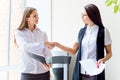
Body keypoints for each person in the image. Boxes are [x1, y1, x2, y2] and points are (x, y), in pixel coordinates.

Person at [52, 4, 112, 80]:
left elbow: (109, 53)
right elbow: (73, 51)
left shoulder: (103, 31)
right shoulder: (81, 31)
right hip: (80, 72)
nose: (82, 17)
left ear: (91, 15)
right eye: (82, 15)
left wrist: (103, 59)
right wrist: (57, 44)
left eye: (84, 15)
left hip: (95, 73)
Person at [14, 7, 53, 80]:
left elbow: (47, 52)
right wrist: (43, 44)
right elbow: (25, 46)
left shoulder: (42, 34)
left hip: (44, 73)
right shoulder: (19, 33)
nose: (37, 17)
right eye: (34, 16)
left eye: (37, 15)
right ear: (27, 18)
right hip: (27, 73)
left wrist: (49, 62)